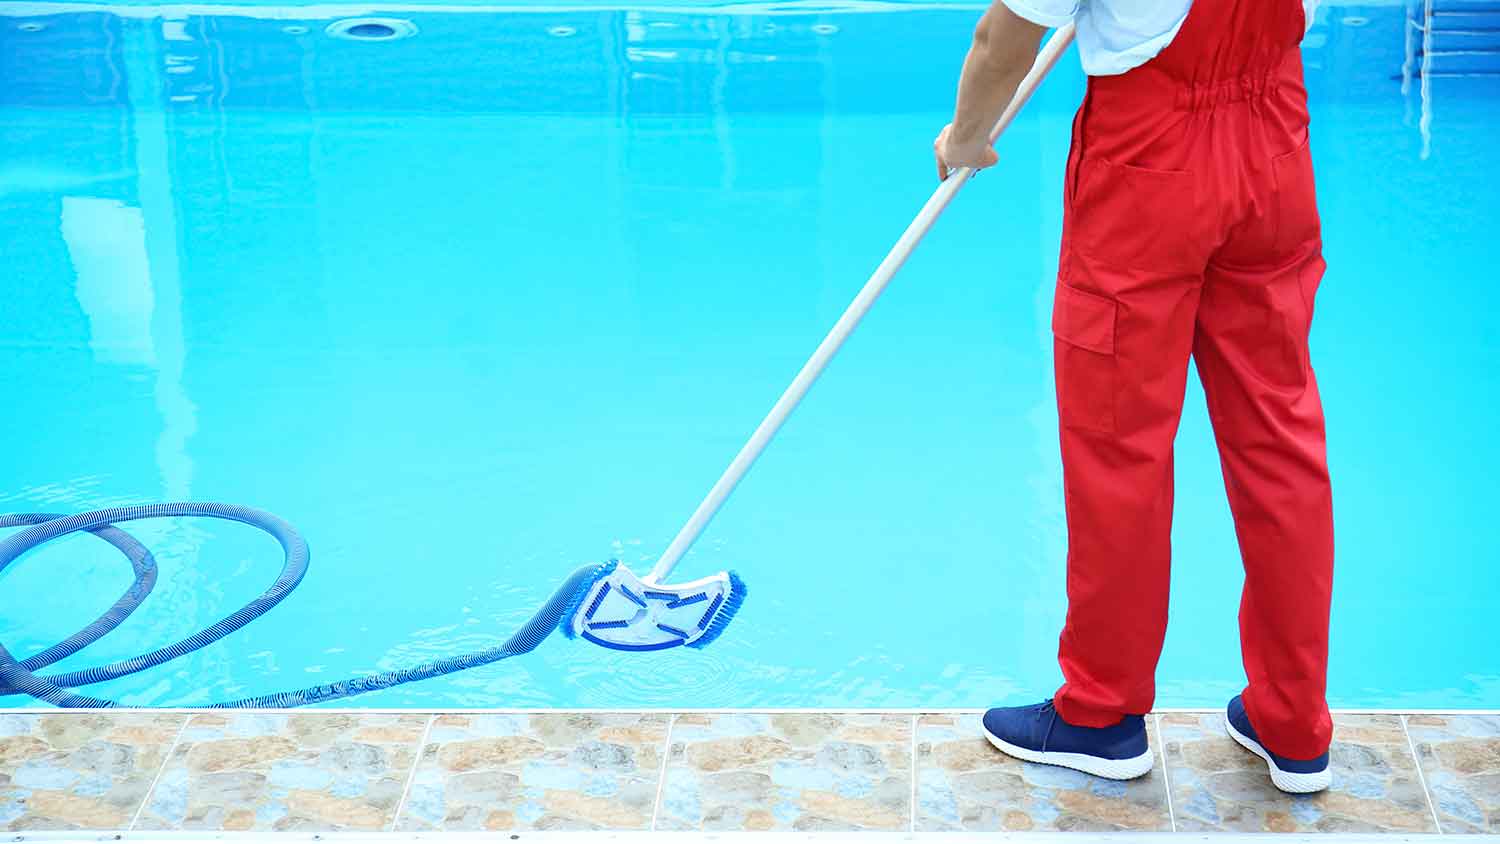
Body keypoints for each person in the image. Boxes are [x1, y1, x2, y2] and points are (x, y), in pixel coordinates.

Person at [934, 0, 1336, 793]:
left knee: (1120, 450)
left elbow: (999, 39)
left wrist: (968, 137)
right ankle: (1293, 723)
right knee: (1280, 440)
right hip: (1275, 145)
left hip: (1151, 165)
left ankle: (1099, 714)